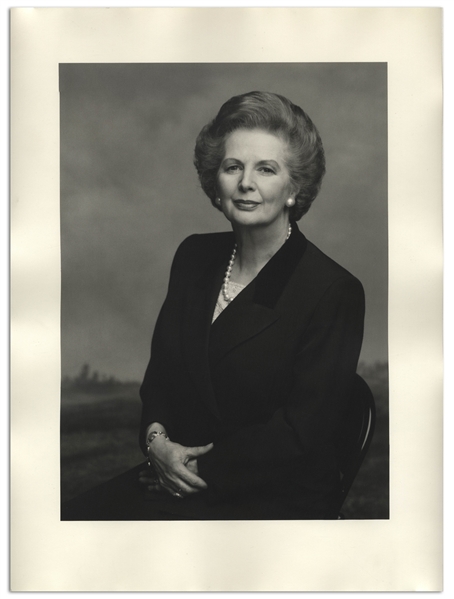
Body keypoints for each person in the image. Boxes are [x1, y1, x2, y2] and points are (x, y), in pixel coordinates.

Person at [61, 91, 365, 521]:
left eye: (266, 169)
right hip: (172, 474)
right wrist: (157, 445)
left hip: (269, 498)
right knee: (71, 525)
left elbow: (302, 434)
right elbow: (162, 379)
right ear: (215, 181)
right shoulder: (194, 258)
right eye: (232, 166)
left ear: (295, 187)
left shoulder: (332, 289)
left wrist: (189, 469)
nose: (246, 182)